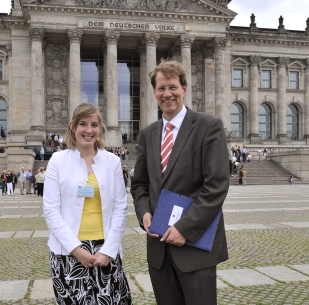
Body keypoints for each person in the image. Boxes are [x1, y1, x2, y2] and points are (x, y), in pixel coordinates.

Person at [131, 59, 229, 305]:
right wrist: (143, 213)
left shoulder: (209, 126)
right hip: (159, 250)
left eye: (173, 87)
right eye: (161, 88)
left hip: (195, 246)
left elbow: (216, 185)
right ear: (154, 92)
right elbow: (140, 184)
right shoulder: (148, 133)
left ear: (184, 89)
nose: (167, 94)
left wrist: (184, 229)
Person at [43, 103, 132, 305]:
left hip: (105, 250)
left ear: (100, 129)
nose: (89, 130)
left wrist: (108, 251)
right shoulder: (57, 160)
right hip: (67, 252)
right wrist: (77, 249)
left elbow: (120, 208)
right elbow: (50, 211)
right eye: (83, 124)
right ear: (72, 126)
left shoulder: (112, 161)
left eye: (94, 125)